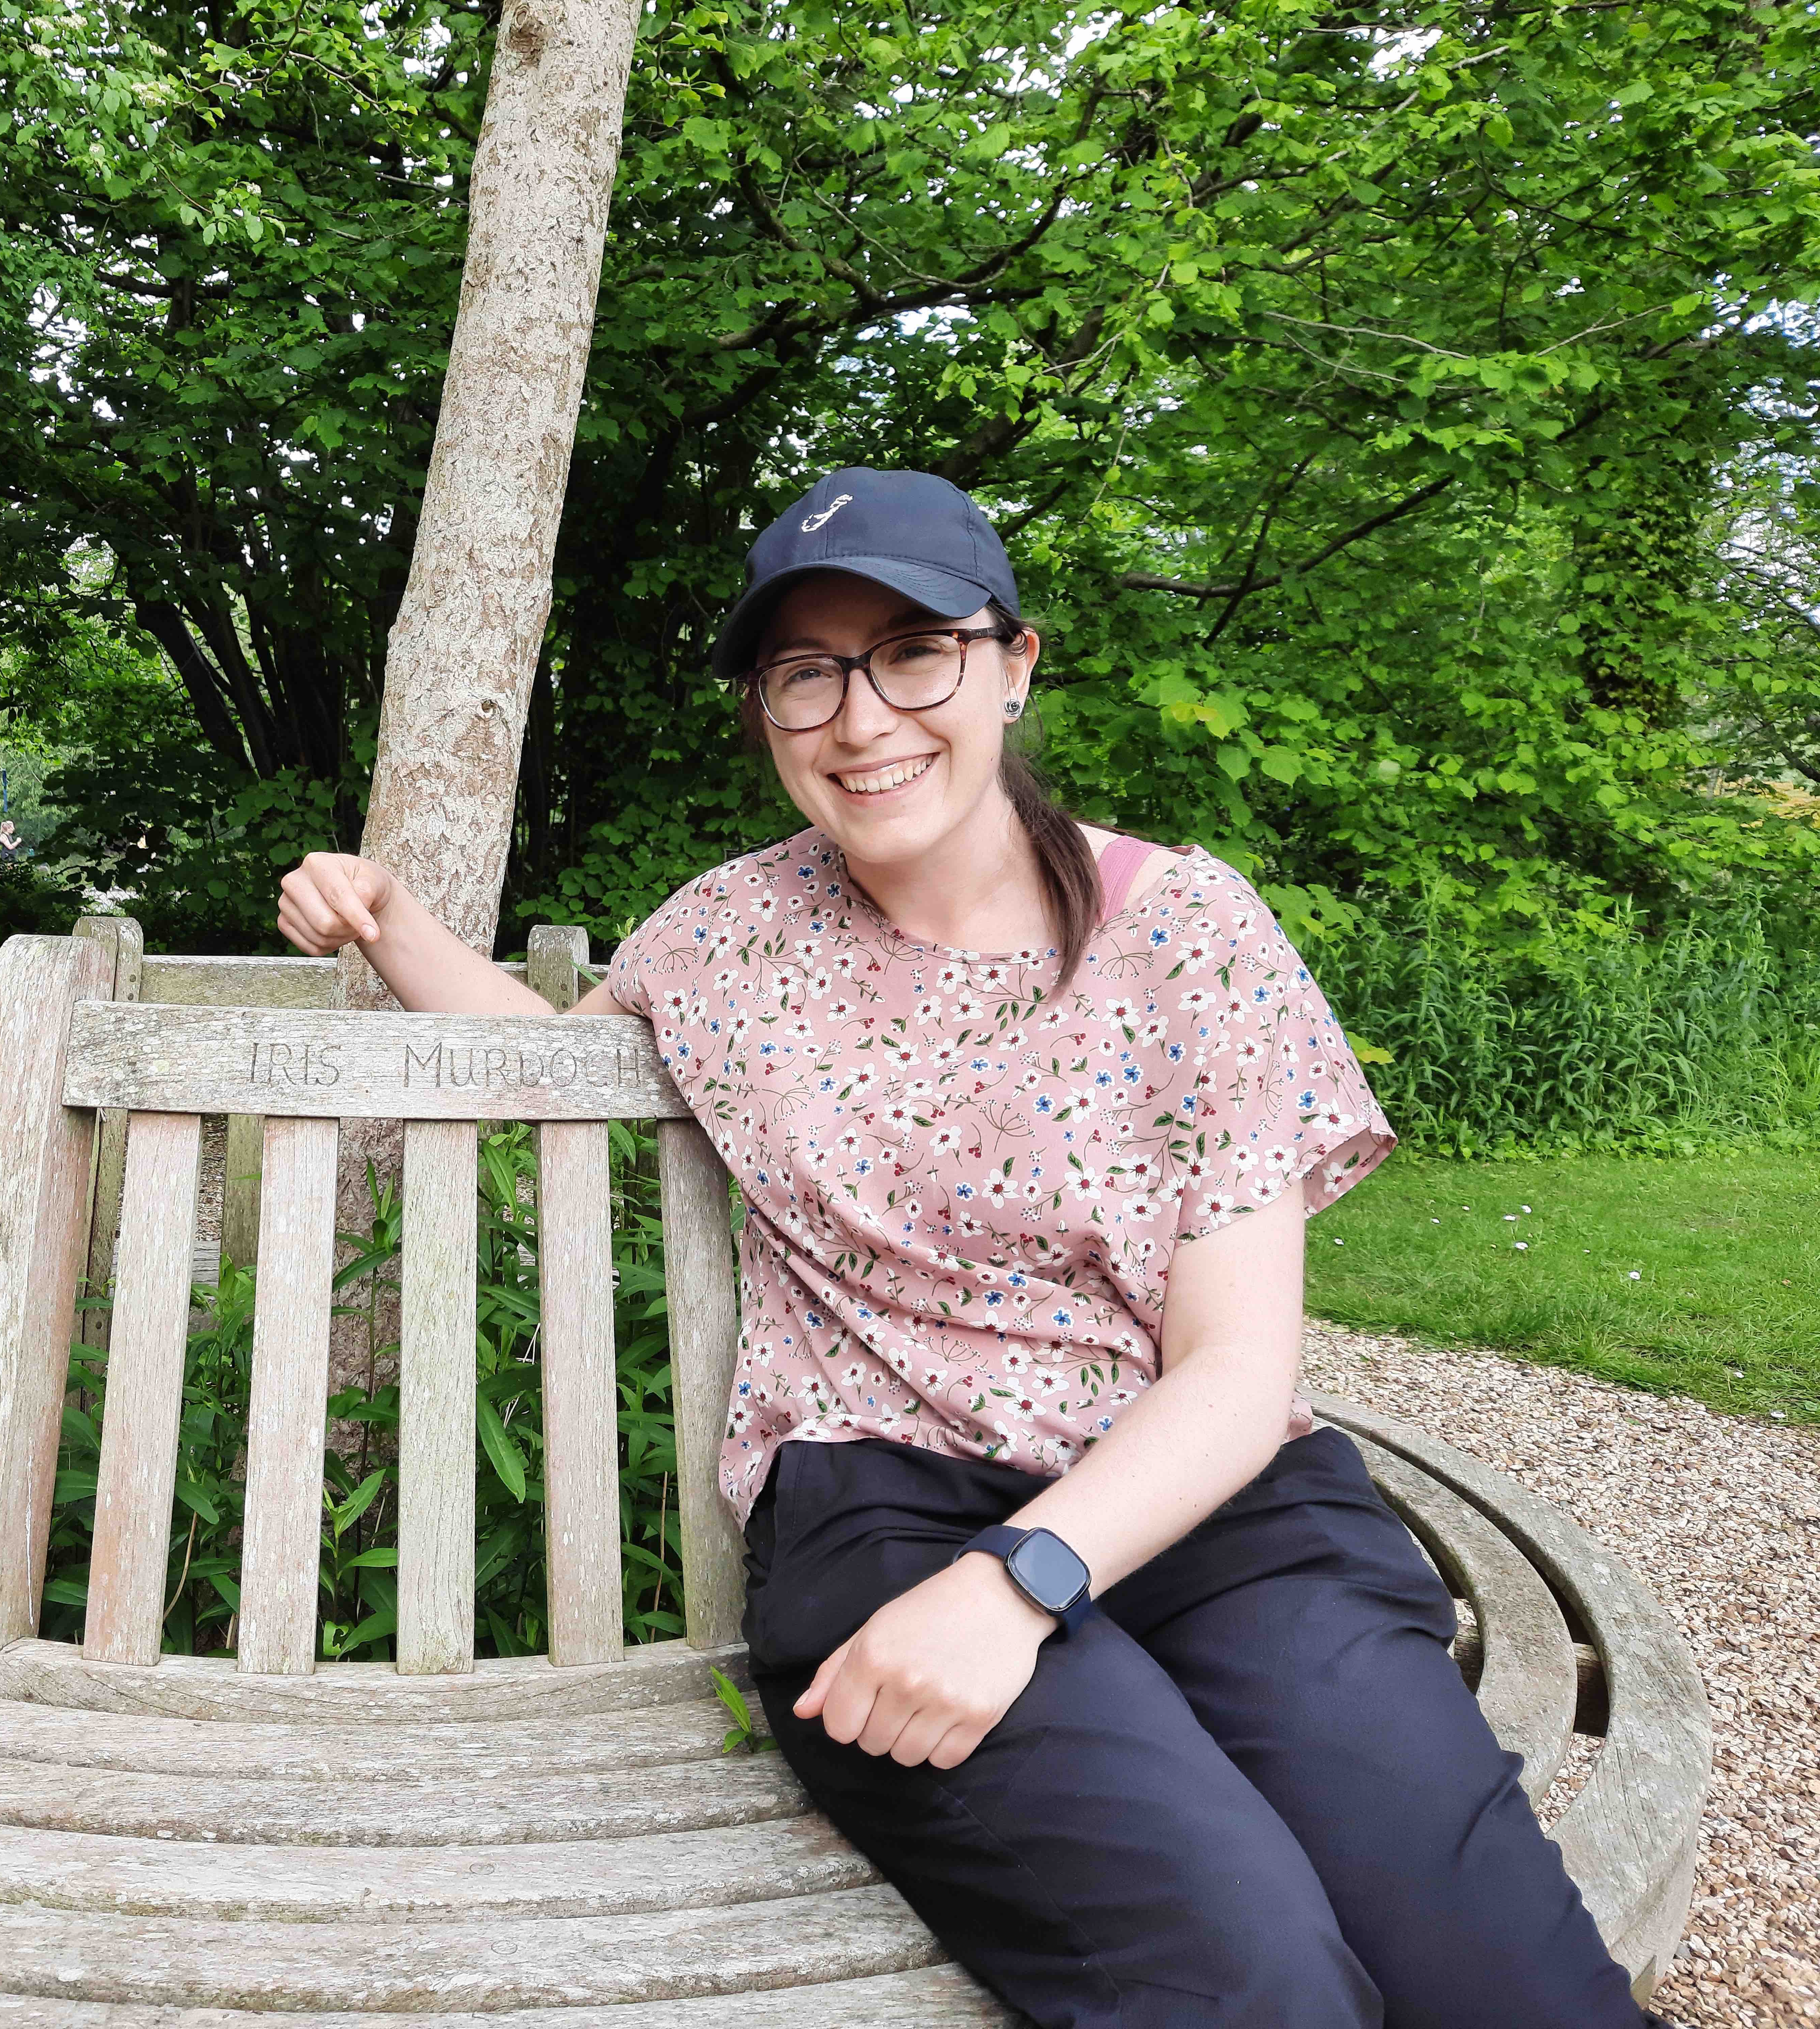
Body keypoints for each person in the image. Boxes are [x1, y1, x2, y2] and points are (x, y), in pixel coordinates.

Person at [276, 468, 1670, 2029]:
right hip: (884, 1513)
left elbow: (1233, 1370)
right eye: (805, 671)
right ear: (765, 711)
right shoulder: (727, 937)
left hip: (1207, 1512)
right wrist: (391, 922)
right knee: (1245, 1975)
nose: (861, 718)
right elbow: (552, 1064)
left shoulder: (1187, 935)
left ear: (1013, 663)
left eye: (914, 649)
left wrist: (1019, 1585)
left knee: (1495, 1972)